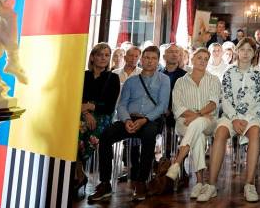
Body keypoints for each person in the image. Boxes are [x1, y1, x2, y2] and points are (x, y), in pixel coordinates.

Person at [89, 46, 170, 202]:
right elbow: (122, 105)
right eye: (147, 57)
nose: (150, 61)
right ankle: (105, 183)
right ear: (141, 60)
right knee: (106, 135)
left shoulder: (164, 79)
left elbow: (162, 106)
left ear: (158, 61)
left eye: (153, 58)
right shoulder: (131, 81)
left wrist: (144, 120)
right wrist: (126, 120)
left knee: (149, 135)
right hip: (130, 119)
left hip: (151, 119)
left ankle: (141, 182)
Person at [200, 38, 260, 203]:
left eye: (249, 50)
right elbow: (226, 98)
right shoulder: (229, 72)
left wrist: (246, 119)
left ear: (254, 53)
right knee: (220, 132)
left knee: (255, 132)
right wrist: (235, 119)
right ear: (237, 51)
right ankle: (211, 185)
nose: (245, 53)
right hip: (231, 116)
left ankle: (249, 184)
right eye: (242, 49)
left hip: (252, 116)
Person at [165, 48, 219, 199]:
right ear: (192, 59)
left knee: (199, 123)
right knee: (198, 136)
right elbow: (177, 107)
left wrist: (197, 115)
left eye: (206, 59)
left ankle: (177, 162)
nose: (203, 61)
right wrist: (197, 116)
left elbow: (213, 104)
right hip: (185, 121)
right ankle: (199, 183)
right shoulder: (181, 81)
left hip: (208, 121)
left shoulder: (213, 79)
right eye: (199, 58)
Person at [74, 43, 120, 198]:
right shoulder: (83, 75)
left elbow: (109, 106)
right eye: (100, 55)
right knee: (69, 130)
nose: (103, 58)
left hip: (103, 116)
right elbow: (76, 98)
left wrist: (89, 106)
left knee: (80, 130)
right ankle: (79, 173)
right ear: (92, 57)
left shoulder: (113, 78)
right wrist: (86, 111)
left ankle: (78, 175)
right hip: (81, 114)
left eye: (107, 55)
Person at [160, 43, 187, 156]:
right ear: (164, 56)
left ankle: (177, 159)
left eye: (177, 52)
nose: (174, 54)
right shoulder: (158, 74)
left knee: (175, 120)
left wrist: (172, 109)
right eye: (171, 52)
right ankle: (164, 158)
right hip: (160, 111)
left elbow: (186, 97)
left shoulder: (185, 76)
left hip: (178, 111)